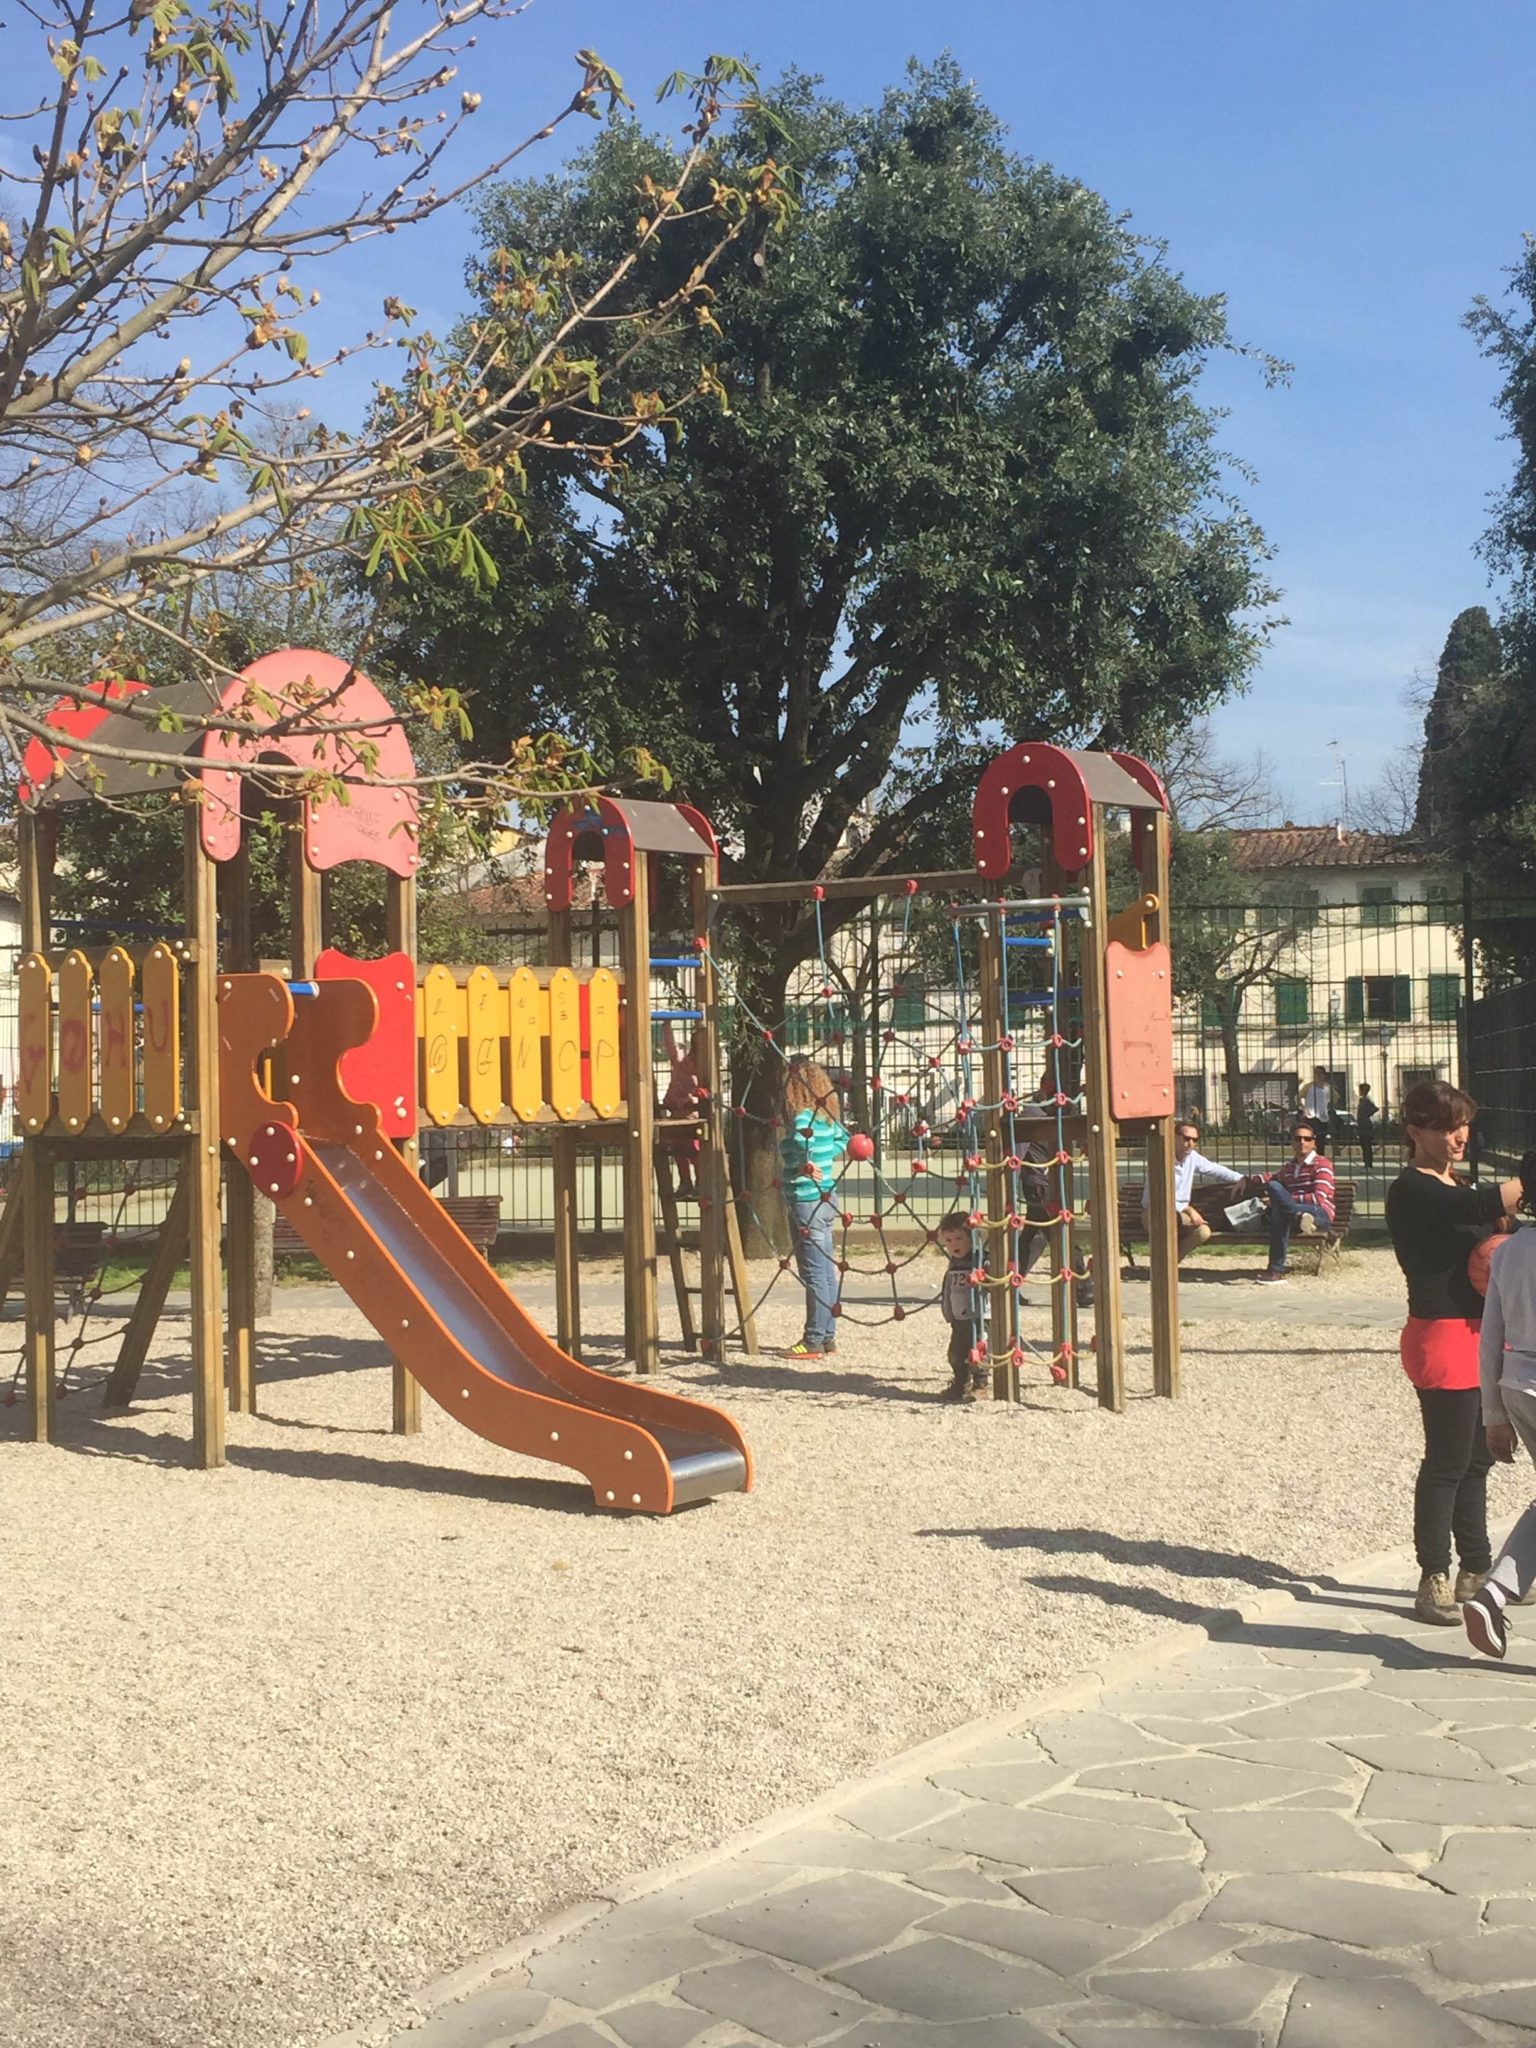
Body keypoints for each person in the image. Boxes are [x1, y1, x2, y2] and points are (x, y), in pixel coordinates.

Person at [1385, 1079, 1521, 1627]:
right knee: (1445, 1463)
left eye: (1462, 1123)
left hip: (1482, 1332)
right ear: (1416, 1131)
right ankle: (1432, 1577)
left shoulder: (1458, 1180)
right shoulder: (1411, 1189)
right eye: (1445, 1126)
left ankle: (1476, 1569)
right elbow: (1480, 1204)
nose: (1458, 1135)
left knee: (1479, 1460)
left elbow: (1500, 1220)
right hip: (1439, 1334)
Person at [1464, 1153, 1536, 1657]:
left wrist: (1493, 1414)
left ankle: (1493, 1594)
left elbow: (1491, 1335)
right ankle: (1495, 1593)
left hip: (1518, 1381)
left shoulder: (1509, 1252)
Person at [778, 1056, 849, 1361]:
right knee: (827, 1269)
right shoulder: (827, 1117)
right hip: (826, 1198)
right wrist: (822, 1160)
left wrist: (803, 1162)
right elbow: (843, 1140)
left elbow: (798, 1137)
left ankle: (813, 1340)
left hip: (806, 1198)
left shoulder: (803, 1117)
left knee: (814, 1272)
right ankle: (828, 1335)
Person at [1150, 1118, 1248, 1262]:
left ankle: (1168, 1264)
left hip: (1180, 1215)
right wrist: (1189, 1210)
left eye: (1195, 1140)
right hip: (1155, 1212)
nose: (1191, 1144)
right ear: (1175, 1138)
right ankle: (1164, 1268)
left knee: (1202, 1232)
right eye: (1186, 1138)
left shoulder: (1192, 1158)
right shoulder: (1161, 1159)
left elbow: (1215, 1169)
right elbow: (1159, 1198)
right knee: (1169, 1220)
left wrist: (1243, 1179)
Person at [1254, 1120, 1335, 1285]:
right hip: (1297, 1218)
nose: (1302, 1142)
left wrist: (1283, 1201)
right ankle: (1299, 1217)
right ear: (1292, 1142)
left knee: (1280, 1210)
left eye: (1307, 1139)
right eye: (1298, 1139)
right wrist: (1246, 1180)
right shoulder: (1289, 1167)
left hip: (1319, 1214)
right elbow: (1272, 1179)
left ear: (1313, 1142)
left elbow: (1318, 1198)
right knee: (1273, 1187)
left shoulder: (1322, 1164)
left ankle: (1276, 1270)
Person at [937, 1210, 989, 1404]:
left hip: (980, 1317)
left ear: (971, 1238)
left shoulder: (980, 1260)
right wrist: (947, 1311)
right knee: (955, 1354)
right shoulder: (953, 1263)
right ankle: (960, 1383)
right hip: (958, 1317)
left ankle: (981, 1385)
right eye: (948, 1240)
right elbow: (948, 1288)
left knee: (979, 1352)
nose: (954, 1245)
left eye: (959, 1238)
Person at [660, 1023, 704, 1197]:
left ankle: (700, 1181)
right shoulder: (680, 1064)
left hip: (692, 1116)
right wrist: (666, 1027)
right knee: (679, 1151)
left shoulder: (700, 1072)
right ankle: (685, 1182)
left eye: (692, 1061)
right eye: (689, 1059)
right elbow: (672, 1048)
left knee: (695, 1152)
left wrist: (691, 1096)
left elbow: (697, 1092)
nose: (688, 1063)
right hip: (676, 1115)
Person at [1301, 1067, 1333, 1153]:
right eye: (1317, 1073)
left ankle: (1320, 1158)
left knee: (1321, 1140)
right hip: (1310, 1116)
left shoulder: (1328, 1088)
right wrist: (1304, 1108)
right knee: (1309, 1138)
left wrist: (1329, 1107)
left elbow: (1336, 1098)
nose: (1319, 1076)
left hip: (1323, 1117)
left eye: (1321, 1074)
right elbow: (1299, 1097)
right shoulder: (1308, 1087)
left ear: (1324, 1075)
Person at [1355, 1082, 1380, 1173]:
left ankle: (1368, 1164)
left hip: (1365, 1126)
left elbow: (1375, 1108)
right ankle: (1367, 1163)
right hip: (1362, 1125)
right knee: (1365, 1146)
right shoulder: (1363, 1100)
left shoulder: (1366, 1100)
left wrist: (1366, 1115)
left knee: (1366, 1145)